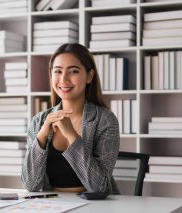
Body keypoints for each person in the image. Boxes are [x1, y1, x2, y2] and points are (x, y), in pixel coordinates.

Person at [21, 43, 120, 194]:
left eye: (73, 71)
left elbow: (99, 187)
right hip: (53, 205)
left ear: (89, 76)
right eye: (58, 71)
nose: (64, 79)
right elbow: (30, 185)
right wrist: (41, 136)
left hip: (95, 207)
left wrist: (72, 136)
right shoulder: (38, 121)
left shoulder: (105, 120)